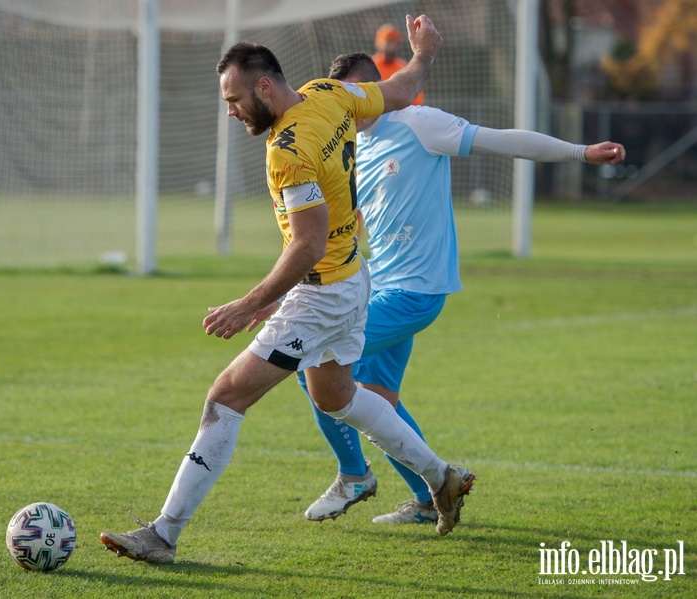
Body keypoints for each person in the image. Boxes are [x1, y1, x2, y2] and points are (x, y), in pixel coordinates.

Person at [100, 15, 476, 565]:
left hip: (323, 294)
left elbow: (306, 243)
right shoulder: (330, 94)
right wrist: (424, 56)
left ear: (265, 87)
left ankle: (163, 534)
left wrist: (248, 303)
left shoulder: (287, 151)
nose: (229, 109)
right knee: (337, 397)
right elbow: (397, 92)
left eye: (233, 98)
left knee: (226, 396)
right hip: (352, 279)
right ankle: (441, 477)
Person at [300, 51, 627, 525]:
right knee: (375, 395)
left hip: (415, 292)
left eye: (355, 94)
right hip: (378, 287)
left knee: (312, 360)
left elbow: (502, 141)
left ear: (376, 88)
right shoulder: (354, 144)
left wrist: (579, 152)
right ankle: (426, 496)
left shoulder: (419, 122)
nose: (350, 105)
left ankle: (354, 474)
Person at [372, 23, 424, 106]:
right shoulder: (370, 65)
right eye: (386, 41)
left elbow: (416, 100)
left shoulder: (404, 67)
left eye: (392, 42)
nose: (388, 45)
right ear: (378, 42)